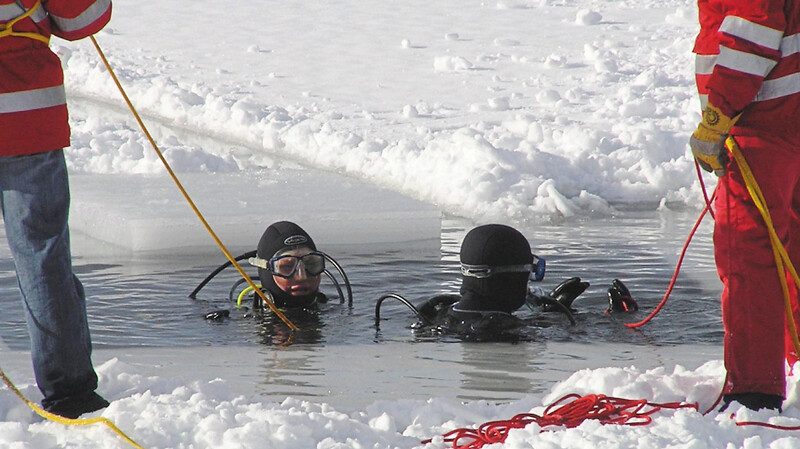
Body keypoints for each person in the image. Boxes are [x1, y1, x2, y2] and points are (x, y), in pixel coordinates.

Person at [0, 0, 113, 418]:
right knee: (42, 257)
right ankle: (70, 393)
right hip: (28, 117)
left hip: (31, 116)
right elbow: (84, 18)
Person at [689, 0, 800, 412]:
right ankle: (796, 363)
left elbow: (754, 29)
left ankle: (754, 391)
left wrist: (718, 114)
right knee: (790, 243)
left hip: (760, 121)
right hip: (788, 114)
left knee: (750, 250)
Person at [378, 224, 625, 340]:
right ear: (512, 278)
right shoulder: (504, 328)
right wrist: (619, 319)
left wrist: (556, 310)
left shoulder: (437, 312)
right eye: (528, 274)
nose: (528, 285)